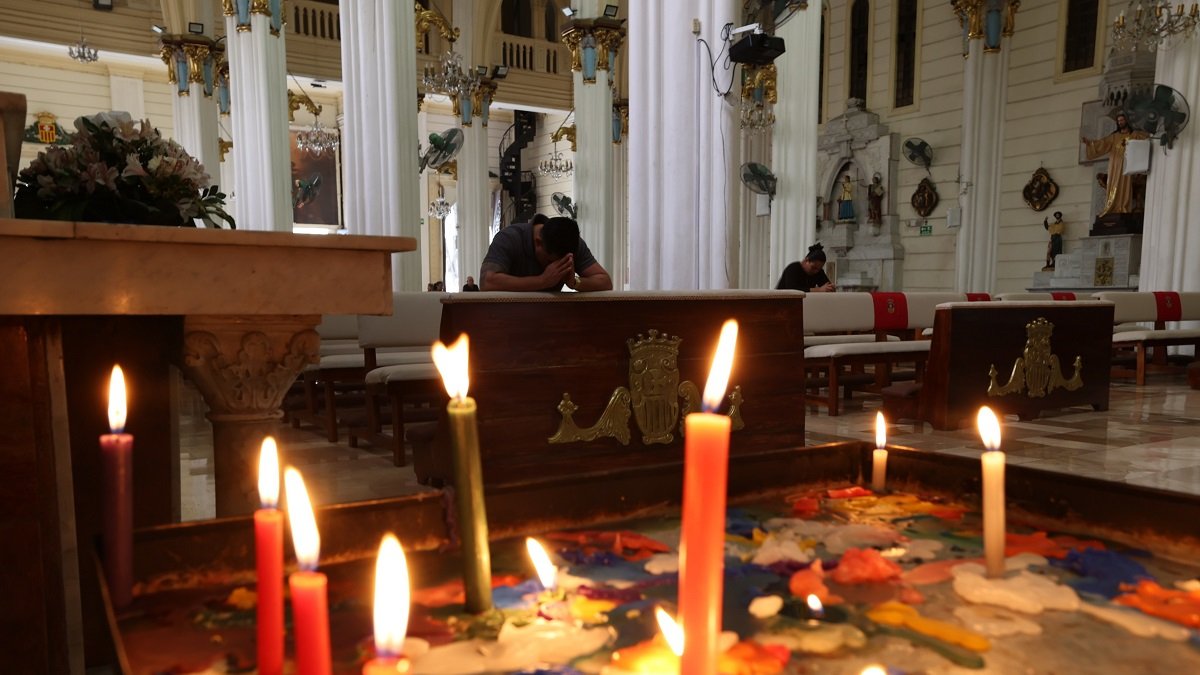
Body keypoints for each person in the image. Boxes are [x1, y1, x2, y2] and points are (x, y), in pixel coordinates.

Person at [479, 213, 614, 292]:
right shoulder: (509, 238)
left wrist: (575, 282)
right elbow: (487, 282)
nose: (555, 268)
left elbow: (605, 282)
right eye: (550, 261)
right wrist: (542, 281)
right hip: (505, 320)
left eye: (561, 263)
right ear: (538, 242)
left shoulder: (573, 243)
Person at [1081, 112, 1150, 217]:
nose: (1120, 122)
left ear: (1127, 121)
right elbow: (1102, 143)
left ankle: (1123, 207)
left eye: (1122, 120)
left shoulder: (1134, 135)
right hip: (1114, 166)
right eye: (1118, 121)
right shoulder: (1114, 137)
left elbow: (1146, 139)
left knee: (1125, 186)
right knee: (1113, 185)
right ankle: (1111, 207)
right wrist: (1090, 143)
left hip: (1127, 165)